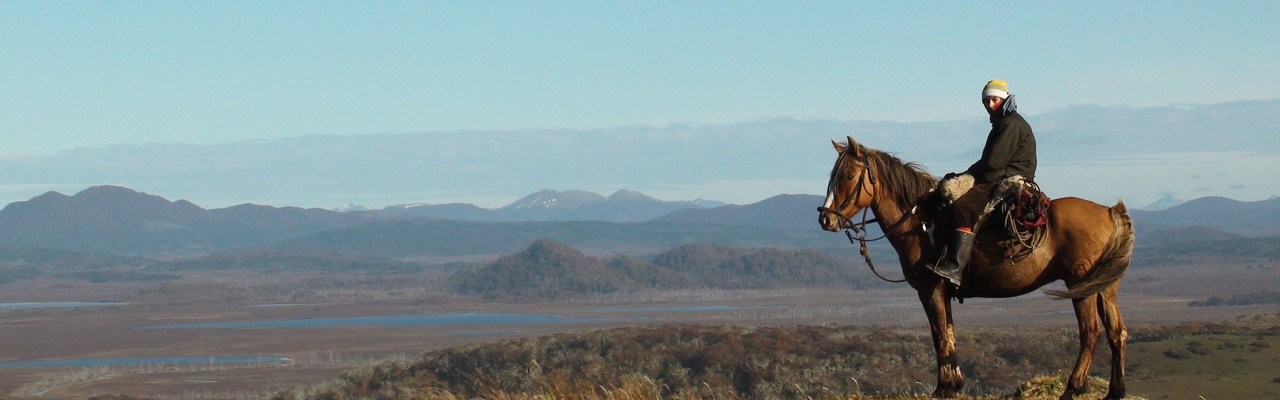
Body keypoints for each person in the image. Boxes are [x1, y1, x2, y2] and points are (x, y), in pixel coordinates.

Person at [929, 80, 1037, 286]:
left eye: (994, 100)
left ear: (1004, 98)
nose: (990, 105)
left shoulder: (1010, 124)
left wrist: (968, 174)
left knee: (962, 207)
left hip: (1006, 178)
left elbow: (993, 162)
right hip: (1001, 174)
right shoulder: (1005, 122)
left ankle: (955, 267)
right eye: (986, 101)